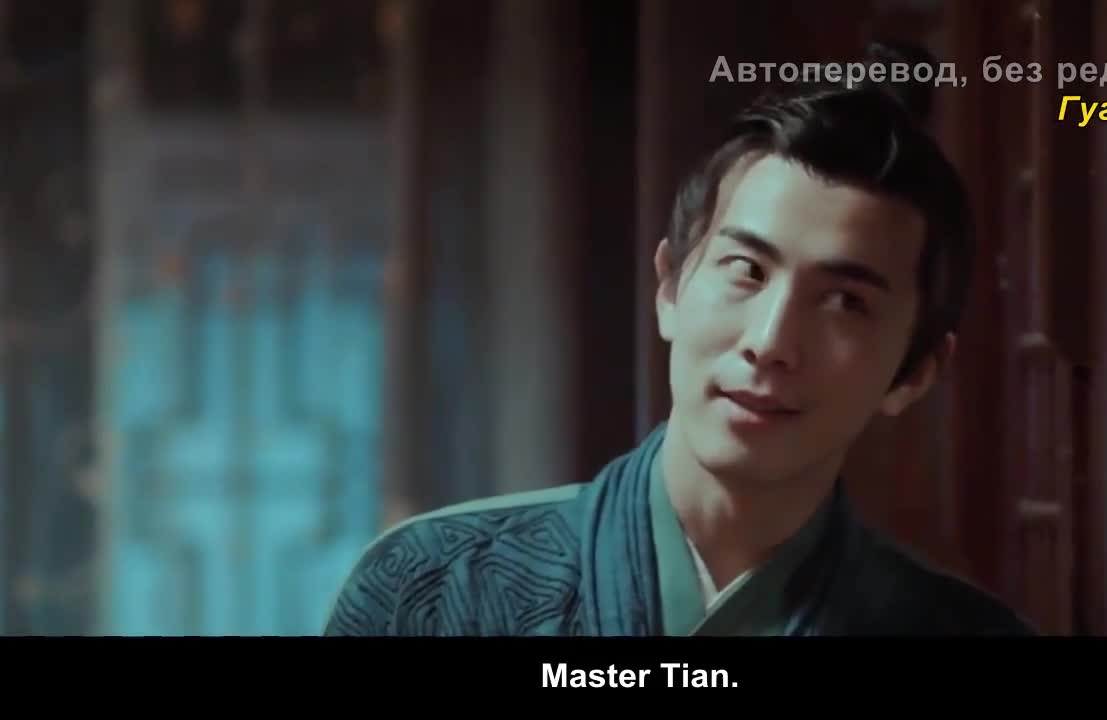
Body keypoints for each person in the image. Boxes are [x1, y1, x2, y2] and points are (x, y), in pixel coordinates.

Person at [322, 70, 1036, 637]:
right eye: (746, 271)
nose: (769, 342)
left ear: (914, 373)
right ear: (669, 288)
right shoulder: (431, 586)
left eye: (845, 302)